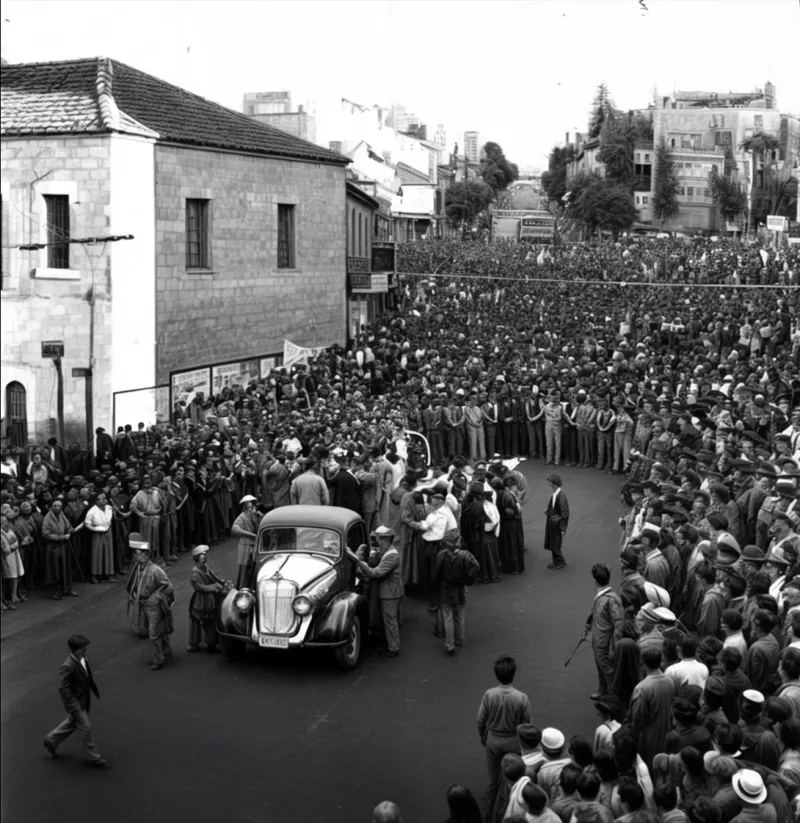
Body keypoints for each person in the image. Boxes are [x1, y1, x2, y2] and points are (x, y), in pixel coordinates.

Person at [477, 654, 532, 815]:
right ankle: (502, 815)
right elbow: (526, 724)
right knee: (509, 784)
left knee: (493, 782)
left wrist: (483, 736)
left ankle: (485, 814)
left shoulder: (489, 694)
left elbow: (480, 720)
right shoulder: (521, 698)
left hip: (493, 740)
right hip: (513, 742)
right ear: (513, 674)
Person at [43, 634, 106, 767]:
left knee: (75, 722)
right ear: (76, 649)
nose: (85, 649)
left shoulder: (81, 659)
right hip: (76, 701)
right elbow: (63, 688)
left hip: (83, 698)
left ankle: (51, 739)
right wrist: (73, 704)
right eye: (83, 648)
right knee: (86, 727)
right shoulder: (68, 665)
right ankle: (93, 757)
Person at [346, 525, 403, 658]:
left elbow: (376, 573)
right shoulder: (383, 552)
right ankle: (388, 644)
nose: (380, 541)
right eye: (379, 538)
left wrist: (357, 560)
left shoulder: (392, 555)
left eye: (384, 539)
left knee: (390, 621)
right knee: (385, 621)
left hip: (390, 593)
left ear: (390, 540)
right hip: (385, 591)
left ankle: (394, 648)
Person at [125, 532, 175, 670]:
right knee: (160, 629)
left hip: (154, 606)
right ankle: (167, 651)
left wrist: (155, 597)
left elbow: (168, 586)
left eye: (138, 553)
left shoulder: (155, 570)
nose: (135, 556)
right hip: (143, 605)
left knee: (153, 634)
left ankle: (159, 660)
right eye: (135, 554)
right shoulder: (138, 568)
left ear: (146, 555)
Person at [629, 645, 677, 772]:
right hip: (667, 731)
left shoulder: (642, 688)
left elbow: (638, 718)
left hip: (648, 738)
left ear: (643, 664)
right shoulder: (670, 680)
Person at [433, 529, 480, 655]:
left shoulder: (442, 554)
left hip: (446, 589)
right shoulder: (465, 555)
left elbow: (436, 573)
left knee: (448, 617)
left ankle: (449, 644)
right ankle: (460, 639)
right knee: (460, 615)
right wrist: (468, 578)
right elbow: (476, 566)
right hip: (460, 589)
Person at [586, 563, 624, 700]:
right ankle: (602, 688)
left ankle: (615, 698)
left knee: (608, 668)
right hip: (597, 638)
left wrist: (614, 645)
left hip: (606, 641)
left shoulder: (611, 599)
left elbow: (618, 624)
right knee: (600, 665)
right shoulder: (601, 596)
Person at [187, 544, 226, 653]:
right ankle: (194, 644)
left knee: (210, 622)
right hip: (200, 600)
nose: (205, 557)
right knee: (196, 622)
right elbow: (198, 587)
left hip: (209, 599)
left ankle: (211, 643)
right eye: (202, 555)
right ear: (197, 558)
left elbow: (214, 577)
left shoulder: (205, 567)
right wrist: (213, 587)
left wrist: (223, 583)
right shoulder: (195, 572)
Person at [84, 491, 115, 583]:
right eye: (99, 499)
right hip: (97, 534)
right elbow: (87, 524)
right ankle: (95, 575)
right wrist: (95, 529)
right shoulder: (92, 511)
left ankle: (108, 574)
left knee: (108, 553)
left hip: (108, 532)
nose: (102, 501)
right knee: (97, 554)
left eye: (104, 498)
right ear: (96, 501)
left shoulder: (109, 508)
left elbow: (111, 519)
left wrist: (108, 526)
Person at [231, 494, 260, 588]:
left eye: (252, 503)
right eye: (250, 503)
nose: (252, 504)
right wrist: (250, 534)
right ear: (246, 505)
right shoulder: (241, 517)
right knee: (244, 569)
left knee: (253, 568)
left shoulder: (254, 515)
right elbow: (234, 529)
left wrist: (258, 515)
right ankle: (242, 588)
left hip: (253, 545)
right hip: (245, 546)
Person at [544, 474, 569, 570]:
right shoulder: (556, 494)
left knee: (555, 543)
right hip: (553, 522)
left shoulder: (560, 496)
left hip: (556, 523)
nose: (548, 482)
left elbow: (564, 513)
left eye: (549, 481)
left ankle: (560, 561)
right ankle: (556, 561)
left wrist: (562, 527)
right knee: (553, 542)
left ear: (554, 483)